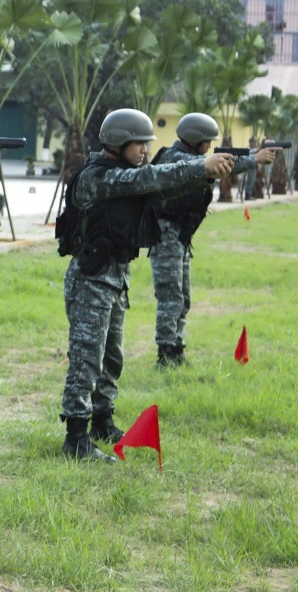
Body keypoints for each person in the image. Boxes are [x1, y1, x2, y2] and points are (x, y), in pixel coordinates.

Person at [54, 109, 237, 461]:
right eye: (139, 144)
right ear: (119, 142)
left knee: (112, 357)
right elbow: (152, 178)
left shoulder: (125, 174)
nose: (144, 151)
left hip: (113, 278)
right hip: (91, 280)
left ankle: (102, 420)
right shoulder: (100, 177)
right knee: (86, 359)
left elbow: (161, 184)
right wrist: (200, 167)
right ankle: (75, 437)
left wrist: (205, 174)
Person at [149, 113, 275, 367]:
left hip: (180, 237)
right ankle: (165, 355)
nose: (209, 146)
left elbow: (220, 160)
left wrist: (254, 153)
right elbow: (213, 165)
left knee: (182, 298)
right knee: (170, 297)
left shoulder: (192, 156)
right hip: (166, 235)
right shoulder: (174, 158)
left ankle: (177, 350)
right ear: (194, 140)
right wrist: (254, 159)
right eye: (206, 141)